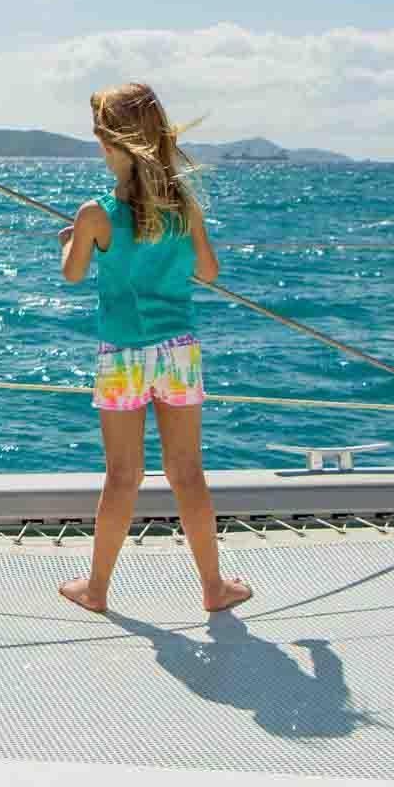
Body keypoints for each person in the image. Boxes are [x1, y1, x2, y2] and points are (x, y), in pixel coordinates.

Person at [55, 83, 251, 615]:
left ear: (108, 143)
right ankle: (214, 587)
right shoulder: (183, 205)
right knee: (187, 472)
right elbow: (208, 271)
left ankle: (96, 590)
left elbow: (72, 274)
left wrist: (71, 239)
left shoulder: (95, 213)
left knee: (123, 475)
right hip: (179, 353)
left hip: (122, 356)